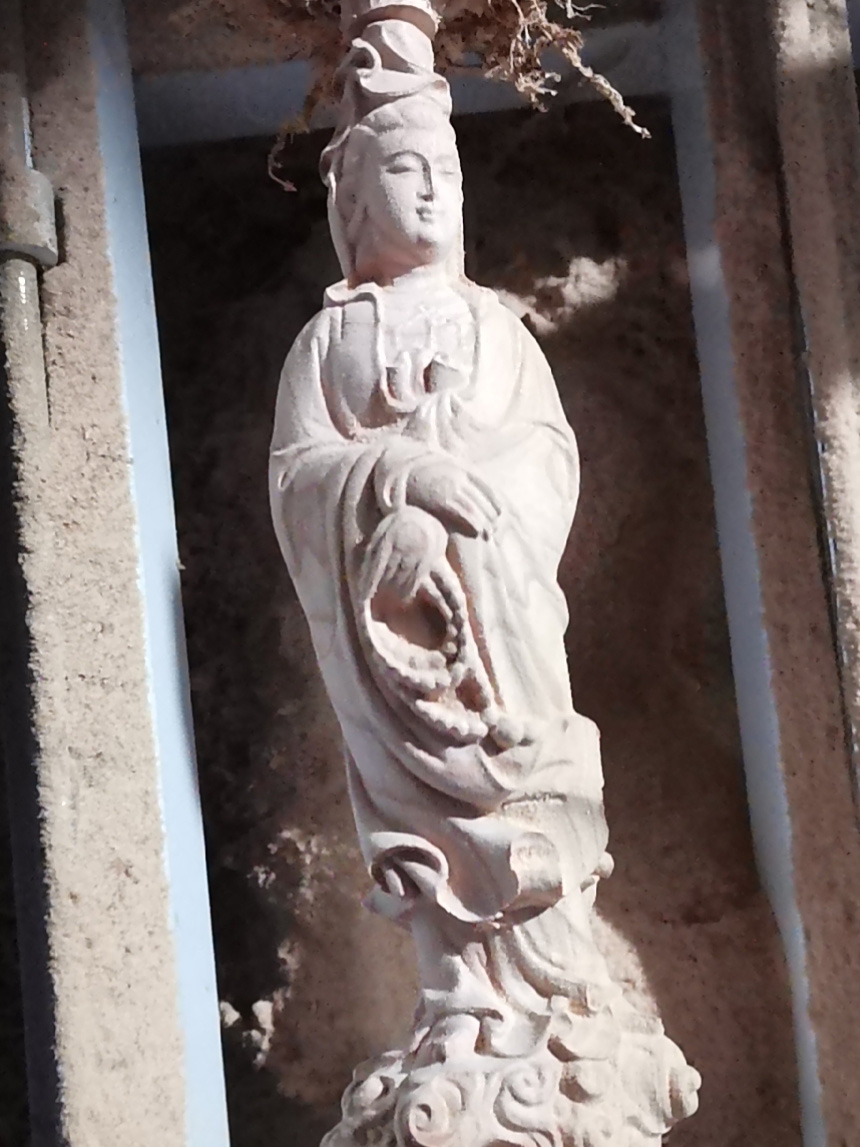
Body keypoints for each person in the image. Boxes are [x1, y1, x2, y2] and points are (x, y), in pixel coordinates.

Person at [269, 18, 699, 1145]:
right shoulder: (327, 344)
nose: (431, 193)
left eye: (445, 174)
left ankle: (556, 997)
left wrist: (469, 496)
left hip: (501, 629)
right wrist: (393, 480)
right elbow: (298, 478)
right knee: (435, 839)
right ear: (356, 200)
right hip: (396, 646)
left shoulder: (493, 328)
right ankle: (458, 1000)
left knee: (530, 802)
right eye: (405, 171)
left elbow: (547, 456)